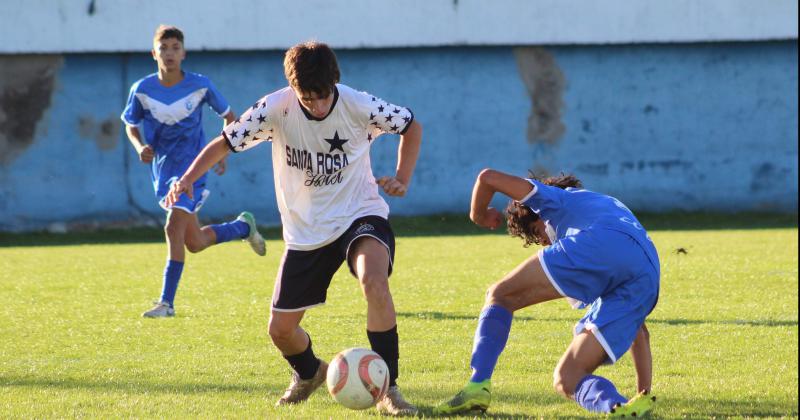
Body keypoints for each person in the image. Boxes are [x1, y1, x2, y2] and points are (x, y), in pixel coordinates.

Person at [165, 41, 422, 415]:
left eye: (323, 96)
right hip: (306, 231)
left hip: (359, 213)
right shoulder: (275, 108)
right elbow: (224, 142)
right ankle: (310, 373)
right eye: (308, 98)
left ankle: (389, 391)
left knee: (374, 280)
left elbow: (411, 126)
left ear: (335, 81)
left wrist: (402, 177)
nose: (318, 105)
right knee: (280, 331)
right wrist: (187, 179)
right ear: (293, 90)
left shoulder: (357, 104)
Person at [434, 169, 659, 417]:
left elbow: (487, 178)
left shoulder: (556, 198)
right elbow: (640, 333)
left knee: (499, 295)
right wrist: (644, 394)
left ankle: (476, 386)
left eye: (535, 232)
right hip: (647, 272)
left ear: (538, 214)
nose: (543, 242)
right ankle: (623, 408)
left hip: (601, 244)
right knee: (567, 378)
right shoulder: (600, 206)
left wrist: (479, 215)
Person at [121, 25, 266, 319]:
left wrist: (221, 153)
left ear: (184, 53)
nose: (170, 53)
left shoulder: (200, 85)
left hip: (193, 168)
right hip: (163, 171)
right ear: (154, 53)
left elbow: (230, 118)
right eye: (164, 48)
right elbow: (130, 124)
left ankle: (166, 303)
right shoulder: (142, 89)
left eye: (175, 47)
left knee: (172, 226)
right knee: (194, 242)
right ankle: (243, 227)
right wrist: (139, 146)